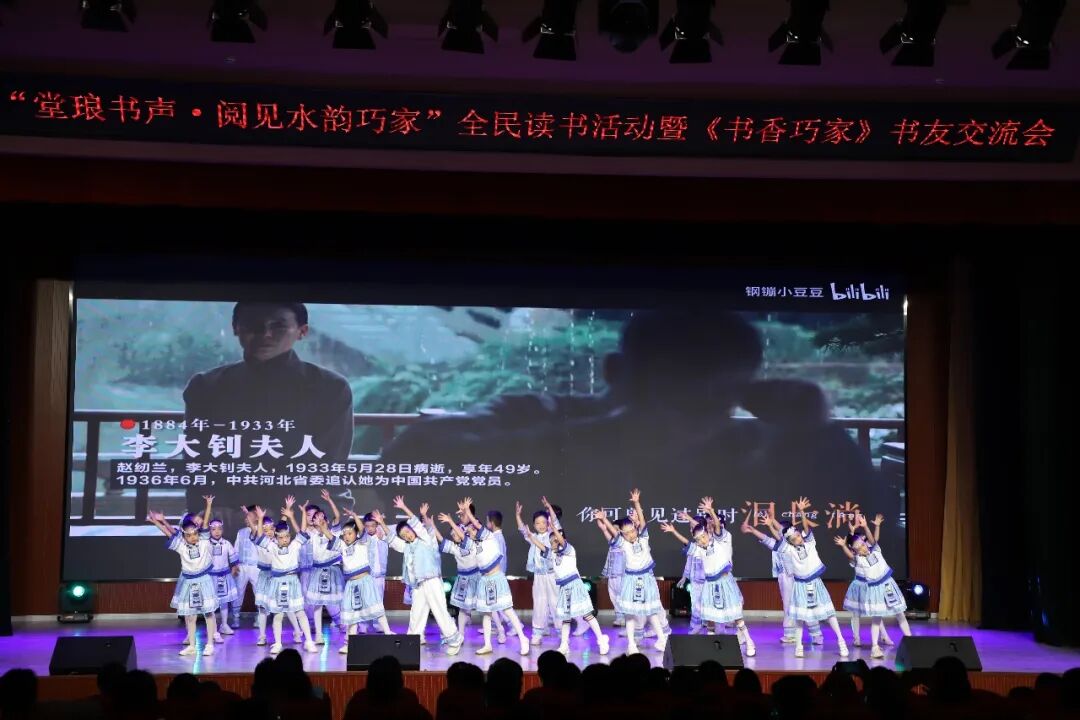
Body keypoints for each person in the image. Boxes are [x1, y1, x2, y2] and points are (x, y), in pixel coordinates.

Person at [381, 309, 885, 577]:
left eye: (704, 395)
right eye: (673, 390)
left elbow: (863, 527)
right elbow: (408, 460)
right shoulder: (541, 415)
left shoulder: (762, 446)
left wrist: (817, 433)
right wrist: (609, 435)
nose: (681, 419)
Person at [182, 302, 354, 527]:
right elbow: (198, 461)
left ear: (302, 331)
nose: (265, 334)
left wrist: (277, 514)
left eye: (278, 326)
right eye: (254, 325)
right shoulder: (206, 386)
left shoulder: (330, 387)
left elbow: (327, 466)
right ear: (236, 328)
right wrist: (218, 510)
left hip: (308, 509)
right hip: (225, 510)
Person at [742, 497, 848, 659]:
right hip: (796, 582)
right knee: (798, 613)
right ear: (789, 541)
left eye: (798, 535)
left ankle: (833, 639)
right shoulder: (787, 549)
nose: (797, 538)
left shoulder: (810, 543)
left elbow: (802, 528)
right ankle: (797, 643)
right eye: (793, 537)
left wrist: (801, 511)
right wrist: (763, 527)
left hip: (813, 581)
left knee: (827, 612)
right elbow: (774, 538)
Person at [660, 496, 756, 657]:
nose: (702, 540)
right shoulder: (698, 549)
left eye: (704, 536)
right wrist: (674, 531)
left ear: (708, 533)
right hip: (709, 585)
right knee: (710, 617)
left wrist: (711, 510)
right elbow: (688, 542)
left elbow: (715, 526)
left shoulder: (719, 540)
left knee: (736, 615)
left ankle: (749, 641)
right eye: (699, 539)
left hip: (725, 581)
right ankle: (713, 646)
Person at [375, 496, 464, 655]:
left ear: (413, 530)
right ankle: (412, 642)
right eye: (403, 535)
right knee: (416, 614)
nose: (407, 535)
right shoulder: (407, 547)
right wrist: (381, 522)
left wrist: (404, 507)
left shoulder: (426, 539)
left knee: (439, 611)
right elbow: (392, 540)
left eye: (408, 531)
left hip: (432, 581)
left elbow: (416, 523)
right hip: (418, 585)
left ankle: (455, 640)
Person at [522, 505, 610, 656]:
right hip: (564, 589)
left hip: (575, 586)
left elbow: (560, 539)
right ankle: (564, 645)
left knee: (587, 615)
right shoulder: (552, 555)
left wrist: (554, 530)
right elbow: (542, 546)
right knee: (565, 619)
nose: (555, 542)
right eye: (552, 541)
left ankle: (602, 640)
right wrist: (531, 536)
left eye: (557, 540)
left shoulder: (570, 551)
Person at [592, 489, 668, 655]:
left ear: (636, 528)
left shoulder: (644, 537)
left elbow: (642, 519)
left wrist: (636, 502)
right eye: (626, 533)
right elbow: (614, 532)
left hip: (646, 579)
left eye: (632, 531)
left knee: (651, 611)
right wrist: (604, 519)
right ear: (623, 535)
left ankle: (662, 639)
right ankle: (632, 644)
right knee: (630, 614)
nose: (630, 535)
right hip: (631, 580)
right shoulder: (623, 543)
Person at [146, 495, 218, 656]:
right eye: (189, 535)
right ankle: (192, 645)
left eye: (194, 534)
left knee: (208, 613)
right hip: (189, 583)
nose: (193, 537)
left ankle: (210, 644)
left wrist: (208, 504)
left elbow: (205, 522)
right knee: (190, 616)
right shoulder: (181, 546)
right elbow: (168, 533)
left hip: (204, 580)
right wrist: (155, 522)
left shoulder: (204, 541)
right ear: (184, 536)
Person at [458, 499, 531, 656]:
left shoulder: (489, 537)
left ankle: (523, 638)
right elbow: (461, 535)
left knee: (507, 610)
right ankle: (487, 644)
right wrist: (459, 518)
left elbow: (476, 525)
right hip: (485, 580)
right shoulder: (474, 545)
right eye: (469, 531)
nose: (471, 532)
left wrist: (468, 512)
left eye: (473, 530)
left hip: (497, 578)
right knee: (486, 613)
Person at [834, 512, 910, 658]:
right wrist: (844, 546)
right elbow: (850, 555)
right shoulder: (858, 560)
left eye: (863, 544)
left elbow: (872, 539)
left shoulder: (875, 549)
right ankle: (875, 647)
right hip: (875, 589)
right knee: (876, 618)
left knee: (900, 613)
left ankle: (910, 641)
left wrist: (867, 526)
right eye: (858, 547)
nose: (862, 547)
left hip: (888, 584)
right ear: (855, 550)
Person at [252, 498, 317, 654]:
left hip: (292, 582)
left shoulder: (294, 545)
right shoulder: (272, 547)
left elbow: (302, 531)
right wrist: (260, 518)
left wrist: (299, 513)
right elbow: (260, 536)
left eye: (286, 536)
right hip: (277, 582)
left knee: (300, 612)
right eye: (280, 537)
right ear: (276, 537)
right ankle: (278, 643)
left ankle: (309, 641)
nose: (284, 539)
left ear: (289, 536)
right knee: (278, 615)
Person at [335, 514, 392, 653]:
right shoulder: (342, 546)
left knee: (376, 608)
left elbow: (362, 529)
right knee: (352, 615)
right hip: (351, 584)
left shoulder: (363, 543)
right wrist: (322, 526)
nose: (346, 536)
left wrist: (355, 516)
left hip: (365, 581)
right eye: (344, 534)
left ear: (356, 533)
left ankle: (388, 633)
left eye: (350, 533)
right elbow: (331, 538)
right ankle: (349, 643)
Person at [206, 517, 239, 640]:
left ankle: (224, 625)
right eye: (213, 529)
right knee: (211, 603)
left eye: (219, 529)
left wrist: (234, 567)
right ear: (209, 530)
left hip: (224, 576)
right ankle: (213, 628)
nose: (217, 531)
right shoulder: (206, 544)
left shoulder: (226, 543)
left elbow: (233, 559)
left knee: (224, 601)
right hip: (210, 577)